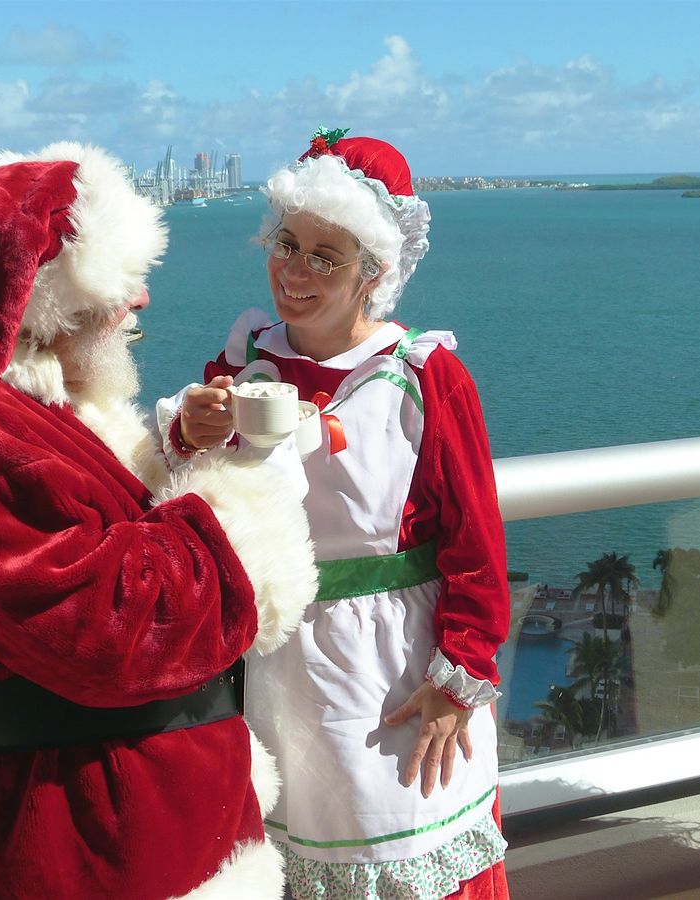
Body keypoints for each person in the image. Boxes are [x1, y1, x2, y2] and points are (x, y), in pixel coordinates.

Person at [0, 144, 317, 899]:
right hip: (62, 839)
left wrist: (174, 450)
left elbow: (74, 502)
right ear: (41, 297)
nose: (142, 302)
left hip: (15, 813)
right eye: (126, 284)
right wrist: (245, 506)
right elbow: (116, 627)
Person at [158, 128, 510, 899]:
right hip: (274, 667)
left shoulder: (425, 376)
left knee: (393, 856)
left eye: (327, 256)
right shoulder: (246, 356)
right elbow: (193, 492)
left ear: (373, 273)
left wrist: (459, 681)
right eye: (287, 244)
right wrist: (192, 428)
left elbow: (476, 546)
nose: (295, 270)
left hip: (389, 670)